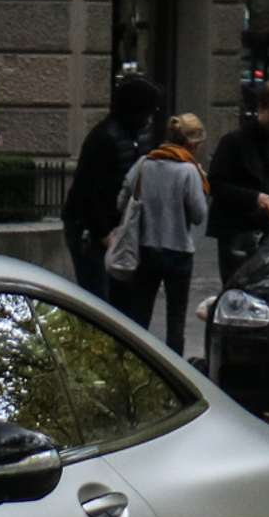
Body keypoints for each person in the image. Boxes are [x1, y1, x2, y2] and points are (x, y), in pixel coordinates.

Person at [111, 112, 210, 357]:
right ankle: (174, 366)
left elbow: (121, 201)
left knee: (141, 313)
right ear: (192, 143)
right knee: (176, 319)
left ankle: (138, 362)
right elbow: (199, 215)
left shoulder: (144, 163)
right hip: (179, 252)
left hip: (145, 248)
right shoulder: (189, 171)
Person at [63, 75, 160, 297]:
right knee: (97, 292)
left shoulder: (140, 134)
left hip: (119, 223)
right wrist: (103, 233)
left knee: (121, 293)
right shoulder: (103, 138)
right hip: (91, 225)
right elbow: (85, 191)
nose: (149, 119)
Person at [207, 80, 269, 285]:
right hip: (235, 228)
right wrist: (253, 198)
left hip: (264, 228)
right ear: (261, 108)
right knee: (236, 283)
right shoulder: (233, 141)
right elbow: (216, 184)